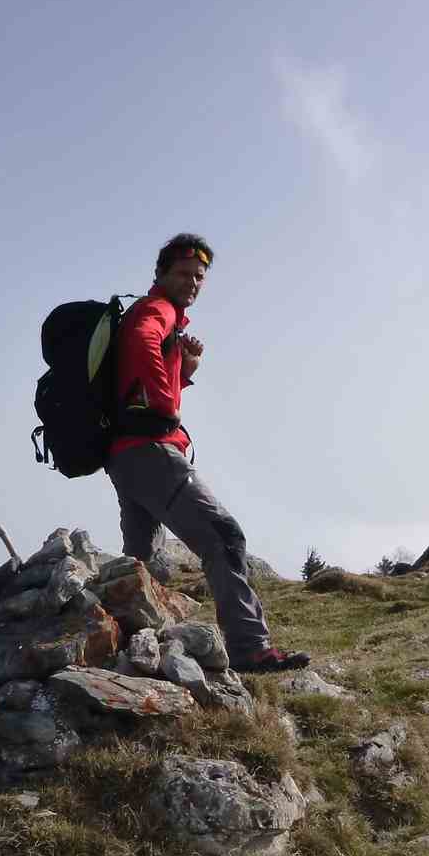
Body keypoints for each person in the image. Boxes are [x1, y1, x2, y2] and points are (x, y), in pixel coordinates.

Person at [104, 233, 309, 672]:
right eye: (183, 273)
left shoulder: (168, 320)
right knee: (224, 537)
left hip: (125, 456)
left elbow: (137, 381)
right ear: (161, 274)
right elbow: (142, 344)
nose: (193, 282)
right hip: (150, 451)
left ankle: (127, 649)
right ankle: (250, 648)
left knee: (146, 563)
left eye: (199, 276)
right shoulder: (155, 309)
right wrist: (164, 403)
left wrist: (185, 371)